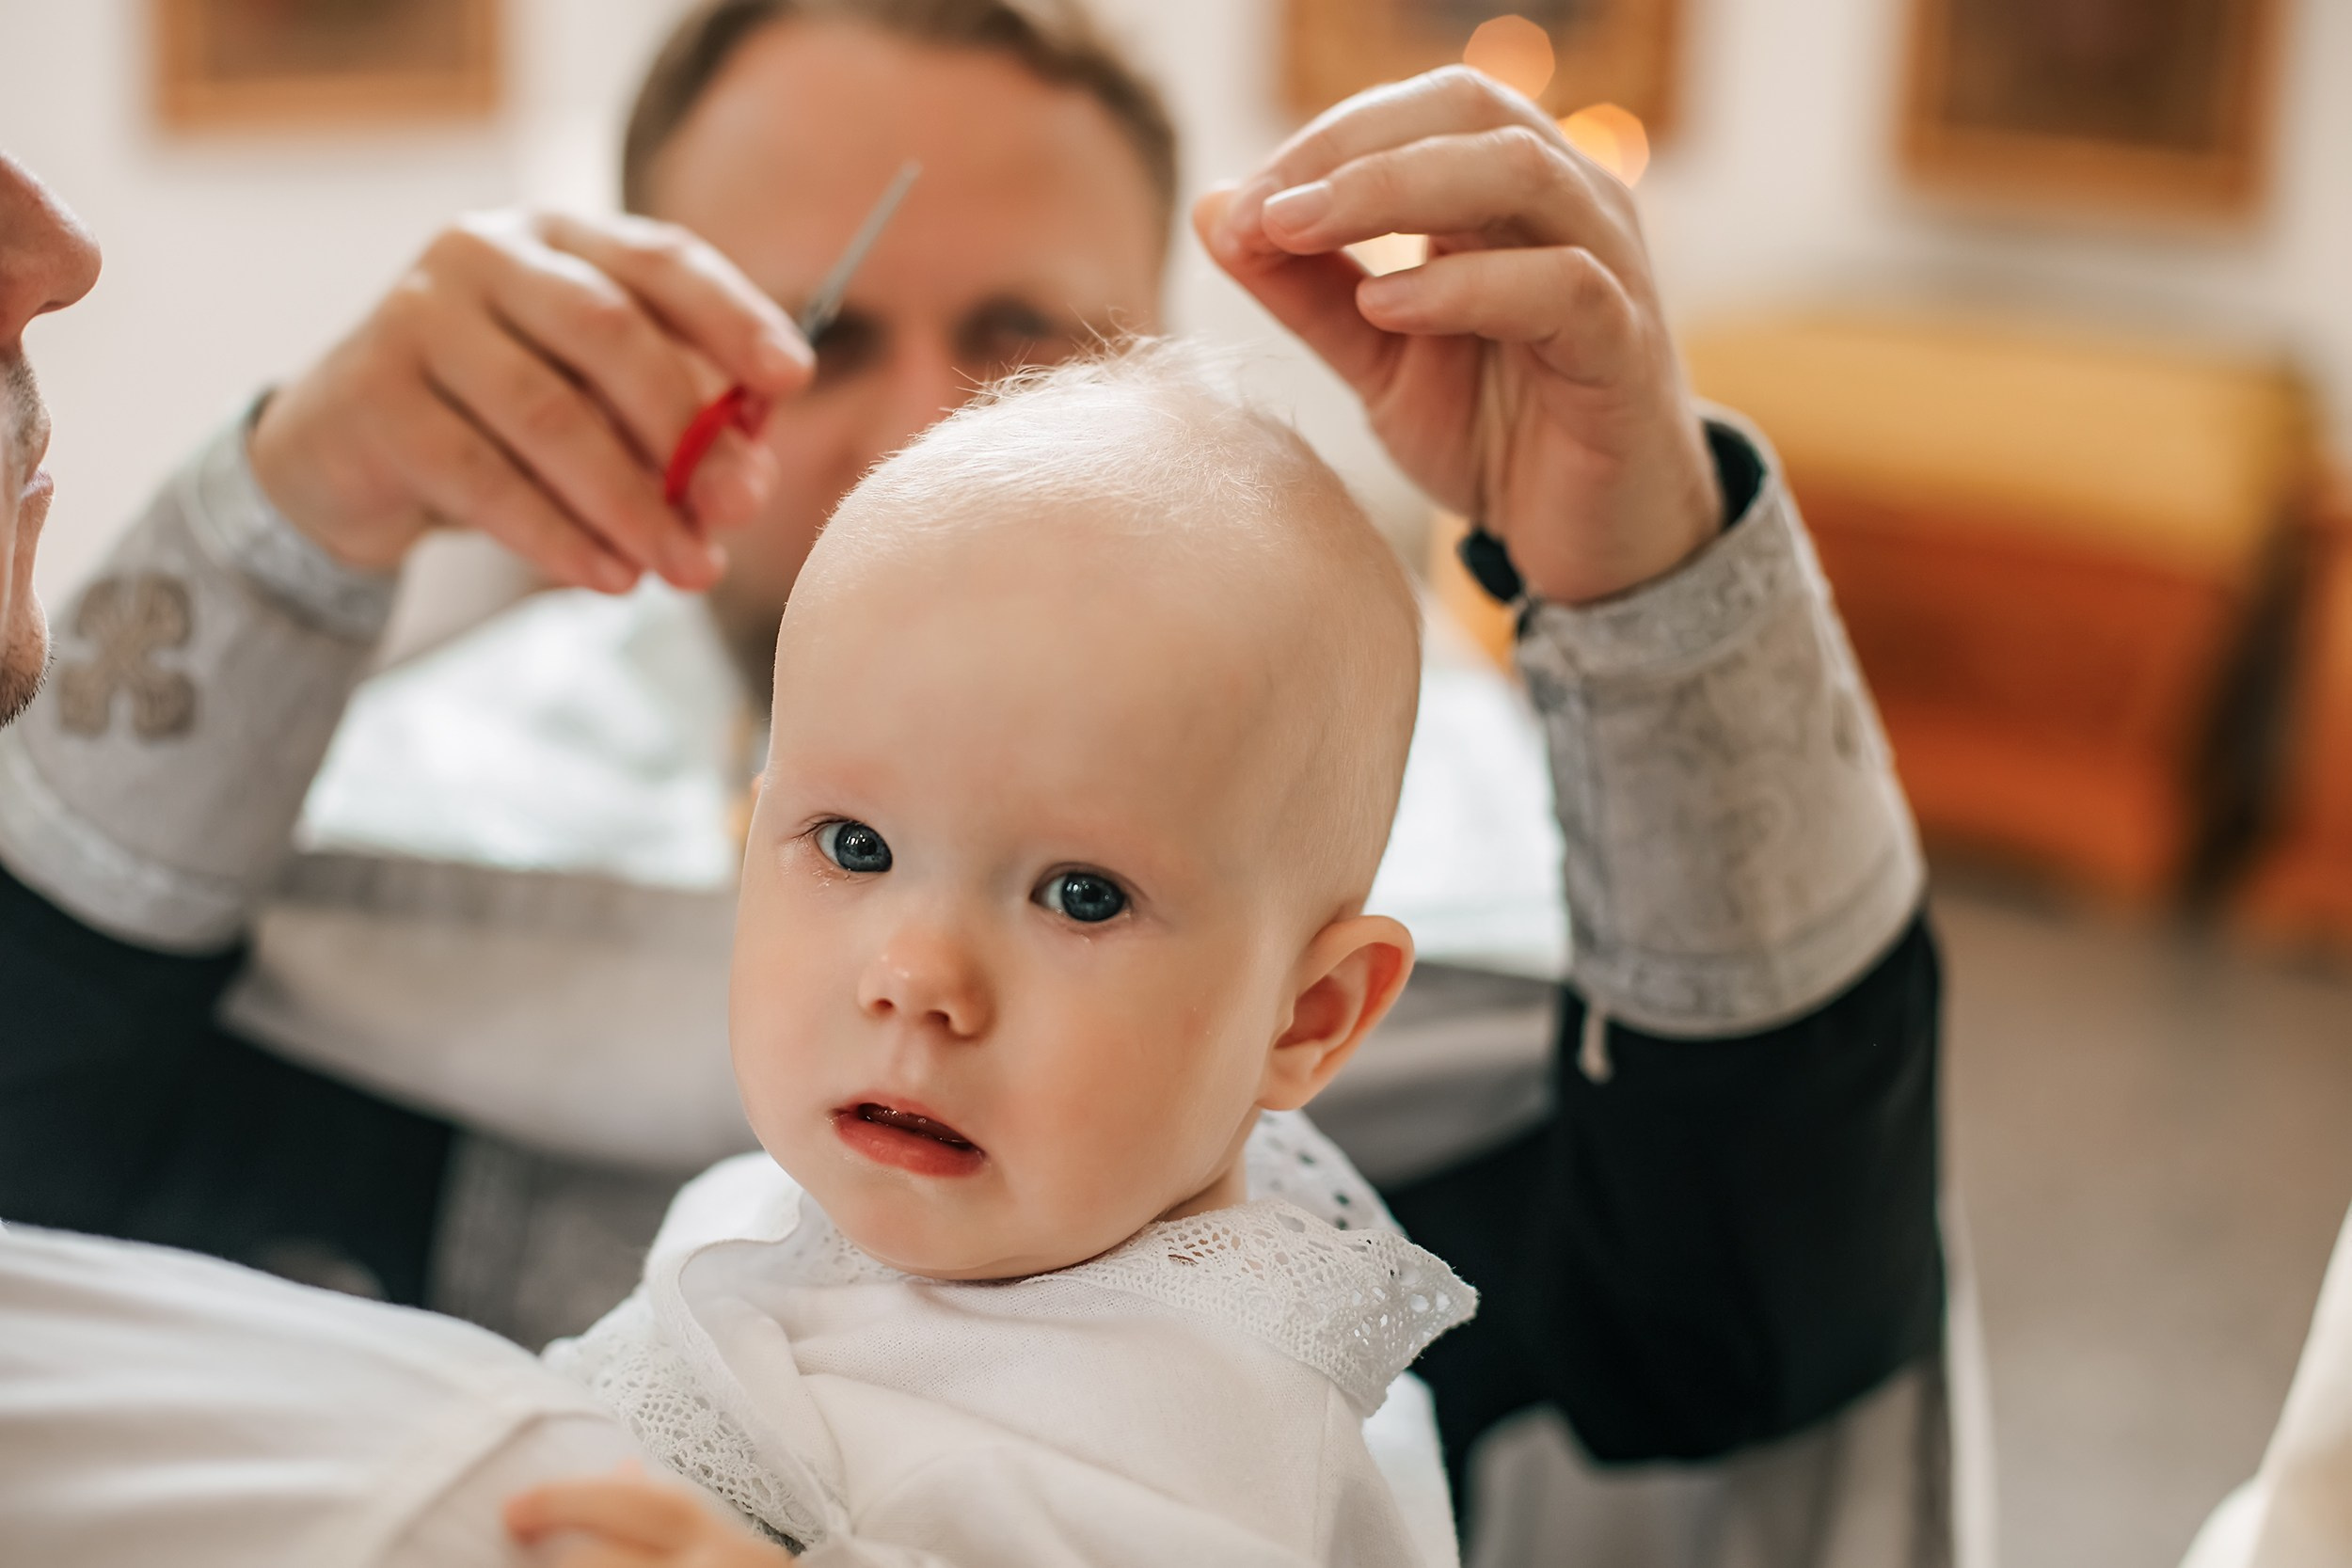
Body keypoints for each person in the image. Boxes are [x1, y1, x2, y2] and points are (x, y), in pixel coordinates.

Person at [0, 0, 1951, 1560]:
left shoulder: (1352, 896)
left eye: (1028, 342)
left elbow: (1745, 1345)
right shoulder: (388, 819)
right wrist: (284, 518)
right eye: (813, 331)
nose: (925, 432)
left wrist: (1656, 573)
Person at [516, 344, 1474, 1565]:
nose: (916, 976)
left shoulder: (1216, 1434)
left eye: (1080, 896)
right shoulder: (785, 1213)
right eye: (854, 845)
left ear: (1308, 1015)